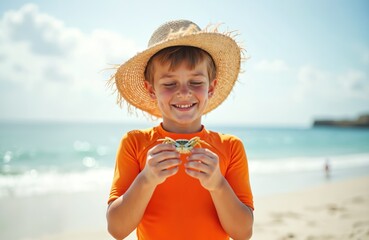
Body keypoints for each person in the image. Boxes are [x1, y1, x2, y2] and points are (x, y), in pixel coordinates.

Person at [106, 19, 254, 240]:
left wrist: (218, 185)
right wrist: (146, 179)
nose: (184, 93)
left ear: (211, 87)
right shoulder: (135, 143)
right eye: (169, 84)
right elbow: (117, 229)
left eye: (195, 82)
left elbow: (243, 233)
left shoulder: (230, 147)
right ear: (151, 89)